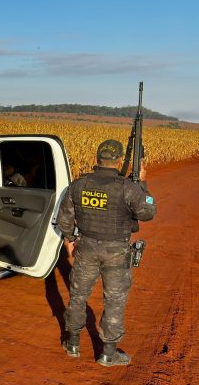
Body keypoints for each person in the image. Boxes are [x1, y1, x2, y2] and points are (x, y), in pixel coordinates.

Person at [56, 139, 156, 366]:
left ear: (96, 159)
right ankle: (108, 353)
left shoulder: (79, 185)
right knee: (114, 301)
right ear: (120, 161)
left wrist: (69, 239)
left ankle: (72, 343)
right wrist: (142, 183)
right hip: (116, 252)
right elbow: (149, 211)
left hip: (86, 248)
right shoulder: (128, 188)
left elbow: (64, 219)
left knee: (78, 296)